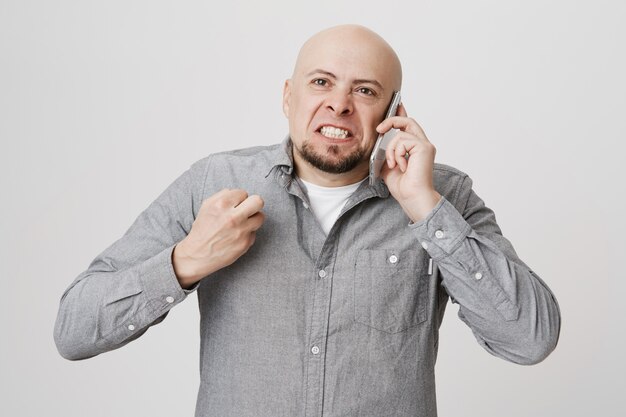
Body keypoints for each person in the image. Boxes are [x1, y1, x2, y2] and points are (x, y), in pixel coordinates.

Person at [54, 24, 561, 417]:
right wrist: (185, 262)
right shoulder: (214, 182)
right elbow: (75, 330)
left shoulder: (444, 195)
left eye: (364, 90)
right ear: (287, 96)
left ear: (394, 110)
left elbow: (531, 339)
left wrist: (426, 210)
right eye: (321, 82)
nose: (338, 104)